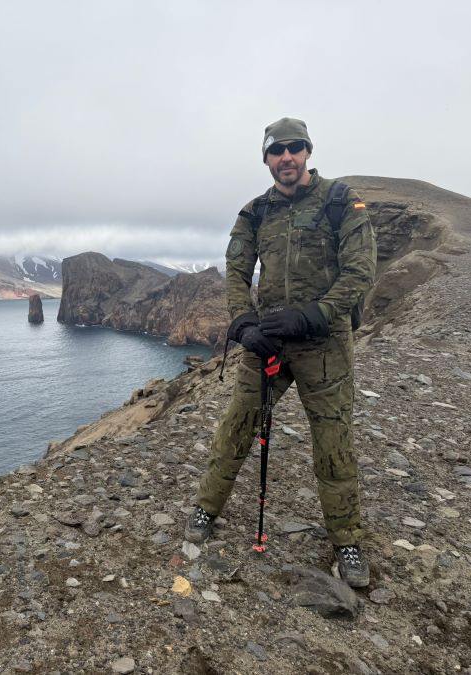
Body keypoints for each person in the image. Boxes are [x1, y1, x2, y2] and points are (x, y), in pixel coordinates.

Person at [184, 117, 377, 588]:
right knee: (236, 428)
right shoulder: (254, 212)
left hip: (325, 344)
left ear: (307, 152)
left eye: (295, 148)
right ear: (266, 158)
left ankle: (346, 540)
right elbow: (235, 272)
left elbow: (361, 271)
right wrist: (243, 322)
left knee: (333, 443)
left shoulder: (340, 201)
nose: (286, 157)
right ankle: (206, 509)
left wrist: (314, 314)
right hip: (267, 341)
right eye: (277, 150)